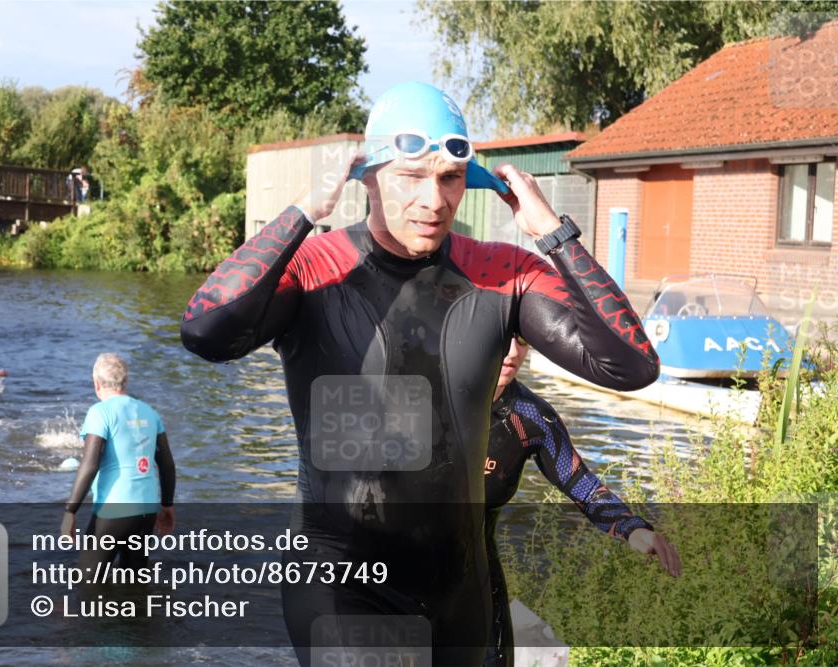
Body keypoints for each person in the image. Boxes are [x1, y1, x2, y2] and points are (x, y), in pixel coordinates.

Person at [180, 81, 659, 665]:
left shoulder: (500, 272)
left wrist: (552, 232)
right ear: (368, 176)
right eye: (410, 175)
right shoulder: (317, 268)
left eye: (449, 178)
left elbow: (629, 365)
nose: (433, 200)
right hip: (343, 585)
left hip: (460, 594)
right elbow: (204, 331)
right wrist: (305, 210)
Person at [483, 338, 681, 666]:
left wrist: (634, 529)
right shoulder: (430, 400)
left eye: (521, 342)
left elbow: (582, 485)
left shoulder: (530, 416)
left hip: (477, 576)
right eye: (502, 339)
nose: (512, 354)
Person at [61, 353, 176, 570]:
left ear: (96, 383)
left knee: (89, 582)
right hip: (147, 510)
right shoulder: (150, 412)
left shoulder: (100, 412)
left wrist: (70, 511)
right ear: (126, 382)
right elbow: (167, 465)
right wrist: (167, 506)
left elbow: (90, 464)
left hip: (113, 510)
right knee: (135, 582)